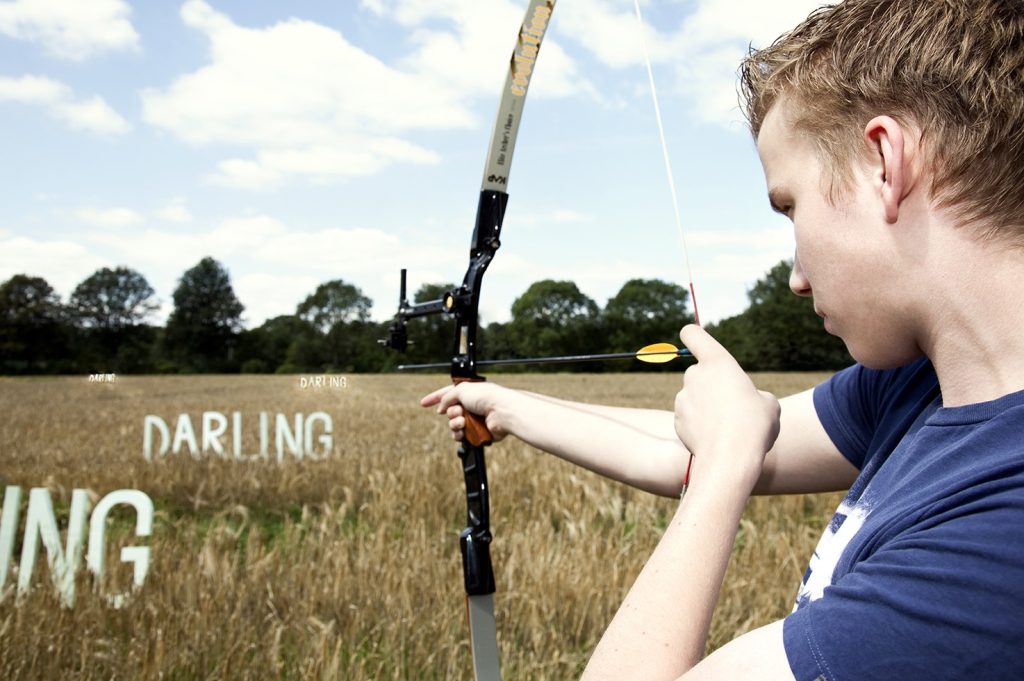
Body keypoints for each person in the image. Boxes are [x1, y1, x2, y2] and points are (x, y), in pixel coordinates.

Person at [422, 0, 1024, 678]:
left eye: (789, 205)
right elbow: (686, 448)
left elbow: (725, 457)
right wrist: (504, 406)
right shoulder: (919, 383)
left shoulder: (1001, 540)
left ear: (885, 162)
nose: (796, 275)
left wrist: (722, 470)